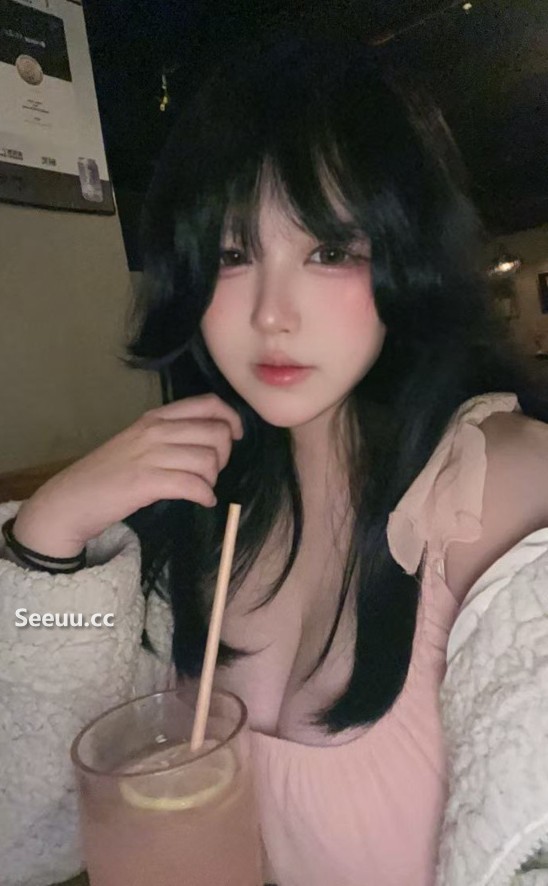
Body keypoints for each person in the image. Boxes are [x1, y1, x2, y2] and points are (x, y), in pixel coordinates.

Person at [1, 34, 548, 886]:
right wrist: (48, 542)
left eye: (329, 250)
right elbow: (30, 833)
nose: (271, 314)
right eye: (231, 255)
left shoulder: (501, 491)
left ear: (407, 256)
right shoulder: (205, 505)